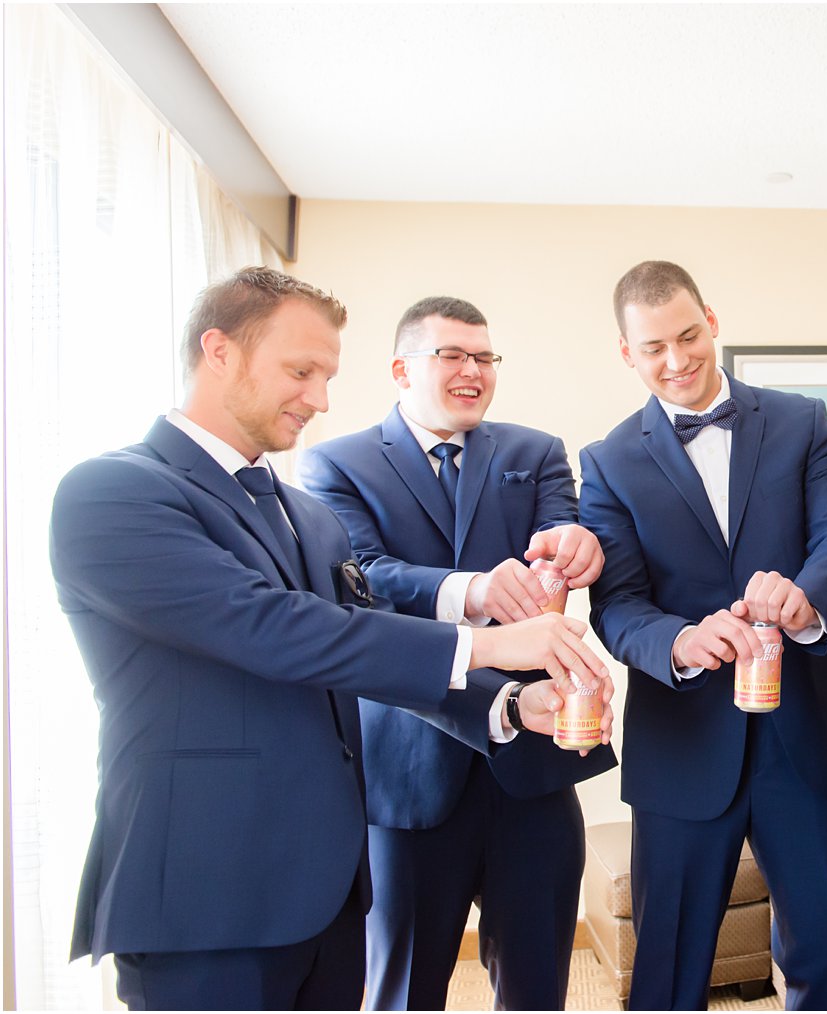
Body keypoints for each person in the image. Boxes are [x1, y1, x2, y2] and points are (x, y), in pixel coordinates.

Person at [49, 267, 612, 1011]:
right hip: (205, 893)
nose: (319, 399)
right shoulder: (112, 491)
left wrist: (506, 706)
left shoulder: (303, 516)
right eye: (301, 371)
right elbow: (276, 630)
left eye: (327, 376)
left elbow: (358, 651)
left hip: (330, 891)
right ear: (219, 352)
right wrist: (491, 646)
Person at [578, 260, 827, 1009]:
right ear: (626, 353)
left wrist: (805, 601)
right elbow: (617, 606)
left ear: (711, 320)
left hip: (804, 734)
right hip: (682, 745)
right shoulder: (607, 461)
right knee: (669, 971)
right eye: (654, 348)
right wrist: (678, 643)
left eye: (688, 336)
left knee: (823, 953)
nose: (677, 360)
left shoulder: (802, 420)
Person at [300, 295, 615, 1011]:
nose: (474, 370)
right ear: (400, 369)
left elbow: (559, 544)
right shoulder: (334, 464)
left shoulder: (534, 452)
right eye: (453, 355)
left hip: (532, 765)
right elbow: (359, 583)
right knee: (403, 991)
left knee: (539, 990)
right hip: (408, 771)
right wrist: (471, 590)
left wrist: (573, 550)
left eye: (485, 357)